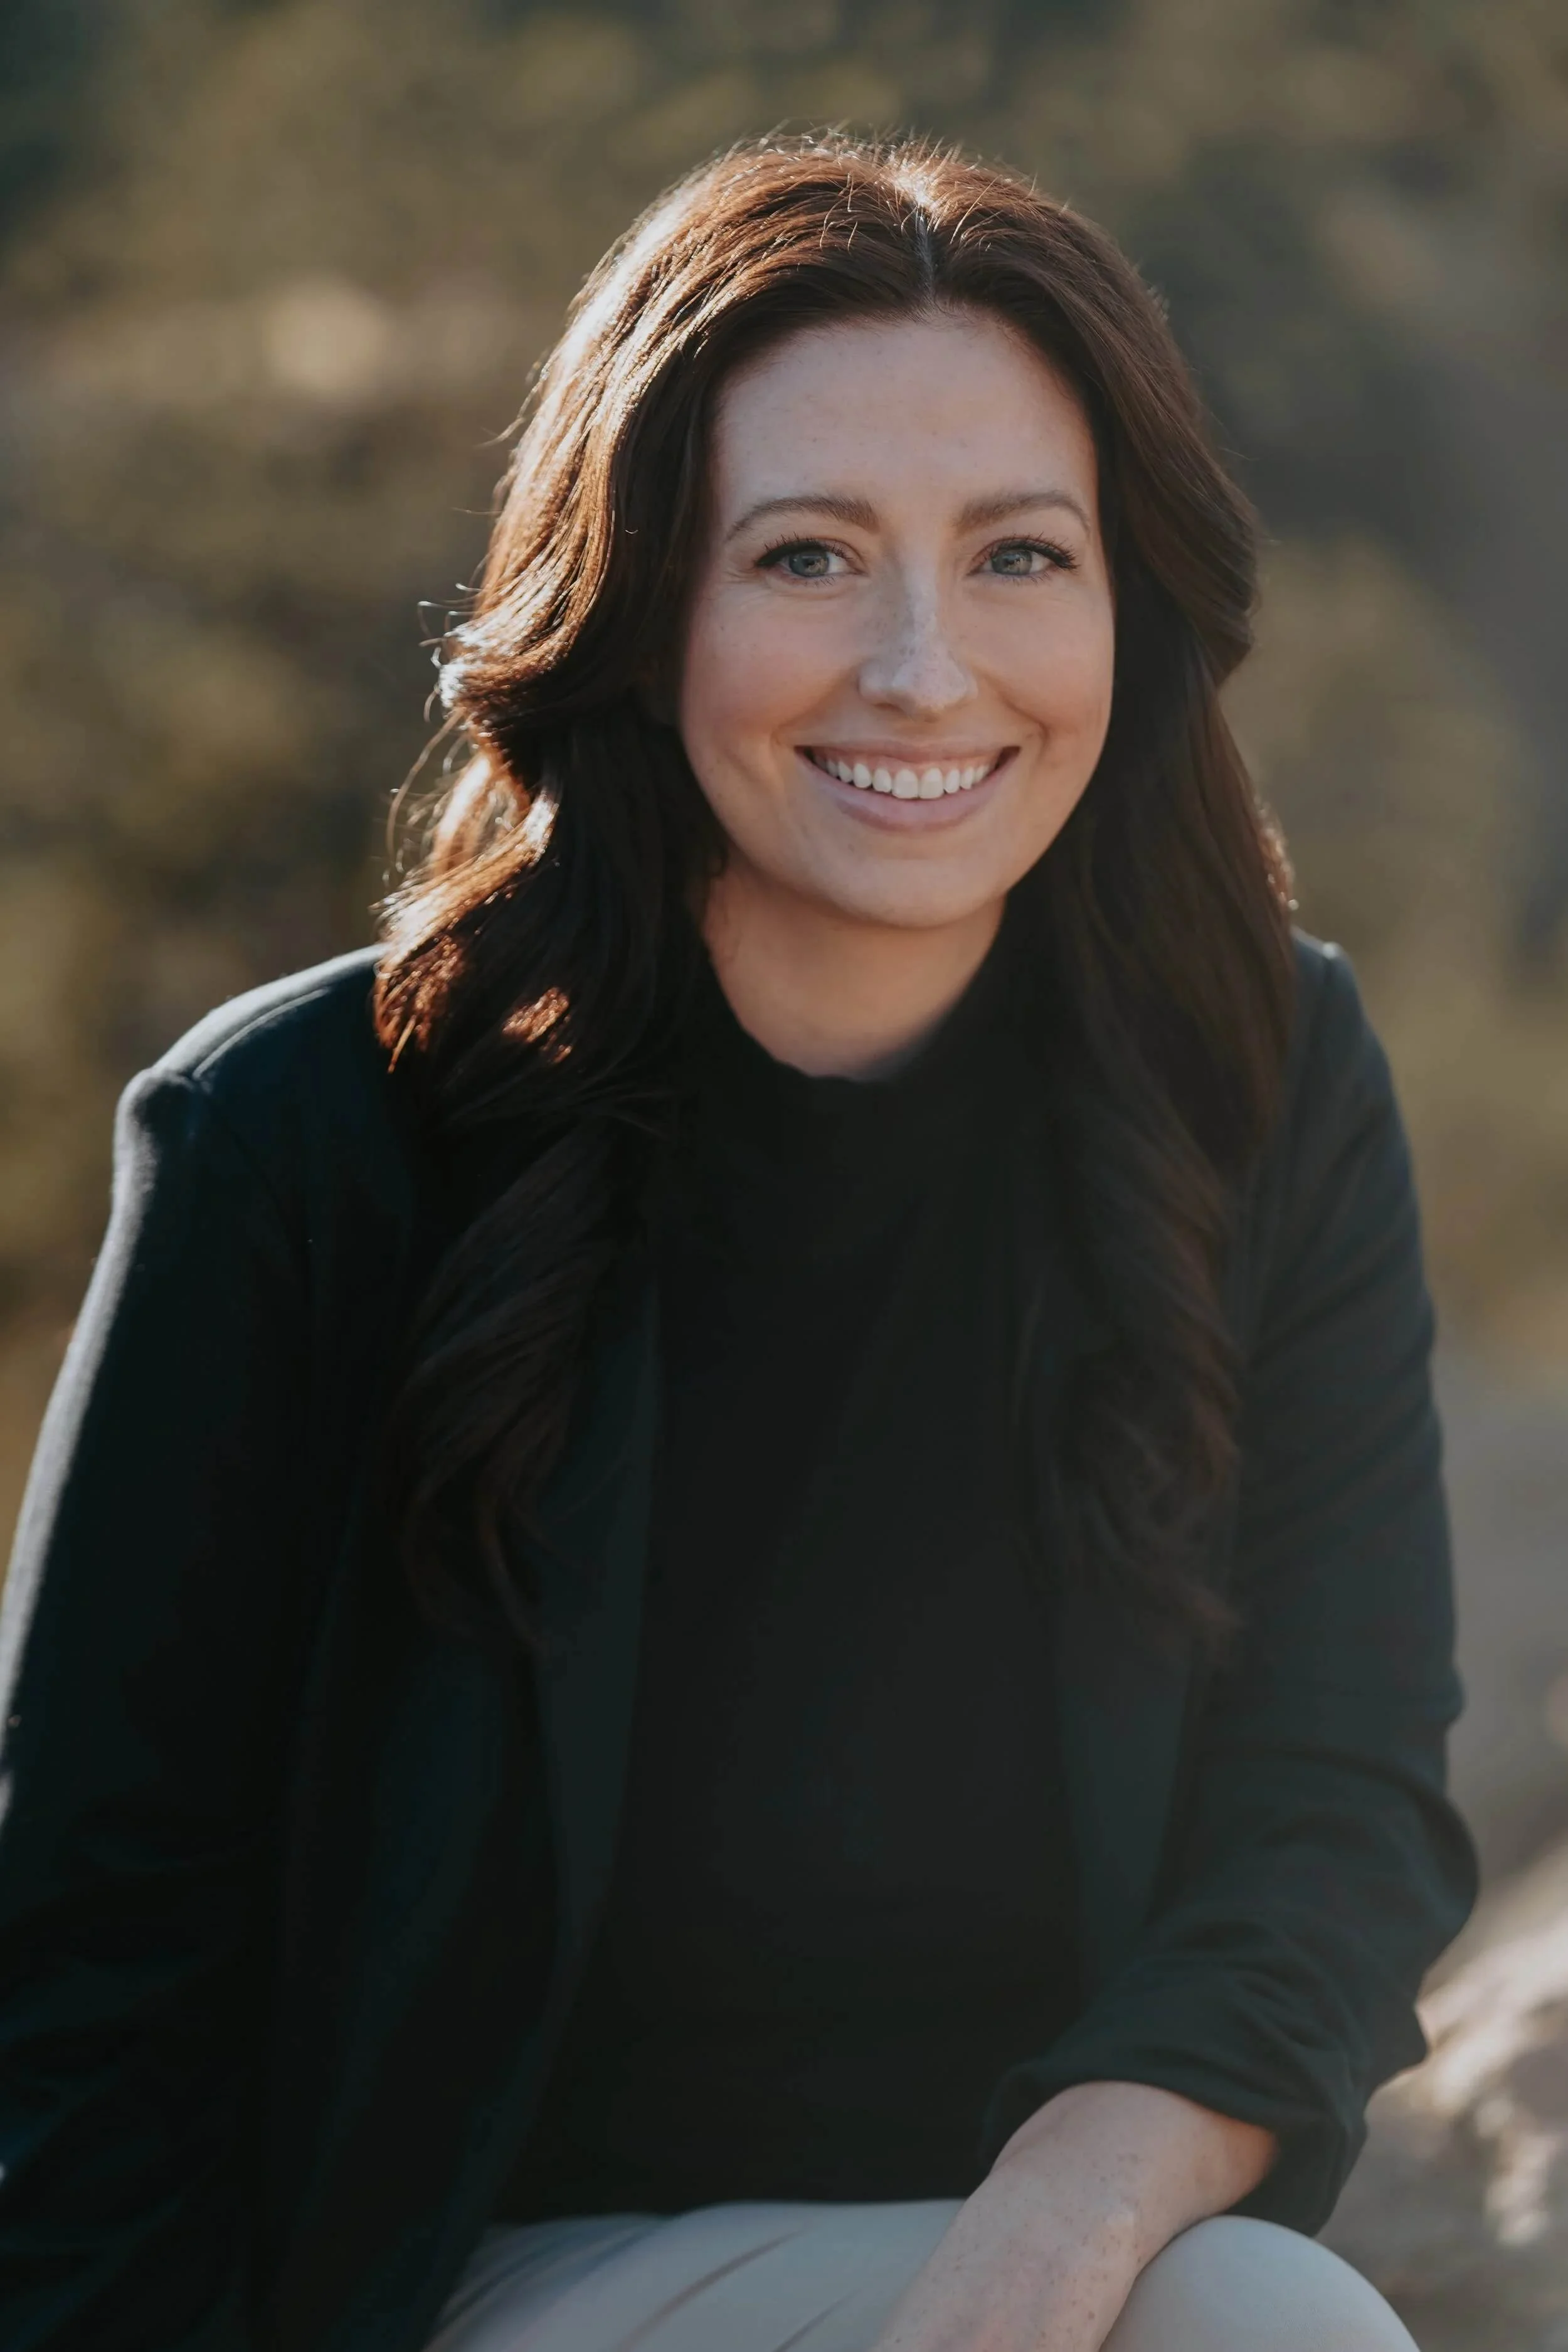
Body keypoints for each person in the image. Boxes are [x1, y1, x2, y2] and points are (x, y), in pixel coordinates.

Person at [0, 136, 1475, 2352]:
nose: (918, 666)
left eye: (1016, 556)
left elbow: (1337, 1803)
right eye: (804, 555)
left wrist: (1067, 2214)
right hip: (470, 2293)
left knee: (1257, 2322)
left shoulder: (1260, 1074)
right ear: (633, 601)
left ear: (1126, 602)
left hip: (1028, 2267)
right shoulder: (302, 1138)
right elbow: (94, 1958)